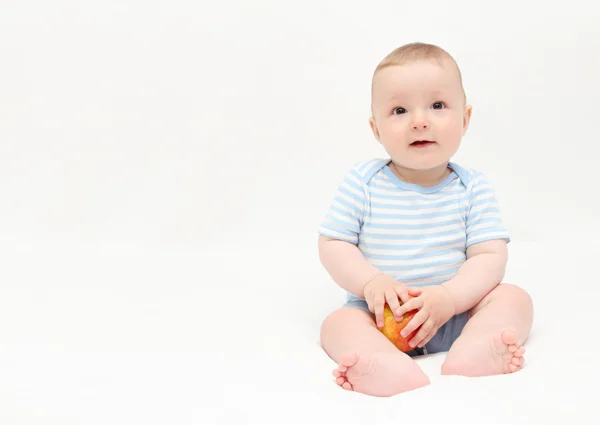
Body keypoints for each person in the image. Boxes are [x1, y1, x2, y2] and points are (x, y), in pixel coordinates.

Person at [317, 42, 534, 397]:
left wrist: (450, 298)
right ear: (376, 129)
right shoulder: (363, 182)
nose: (420, 121)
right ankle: (380, 360)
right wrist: (371, 282)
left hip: (455, 314)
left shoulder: (471, 187)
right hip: (379, 316)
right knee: (337, 324)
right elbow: (333, 245)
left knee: (514, 298)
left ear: (464, 120)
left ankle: (479, 344)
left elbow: (489, 257)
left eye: (437, 105)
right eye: (399, 109)